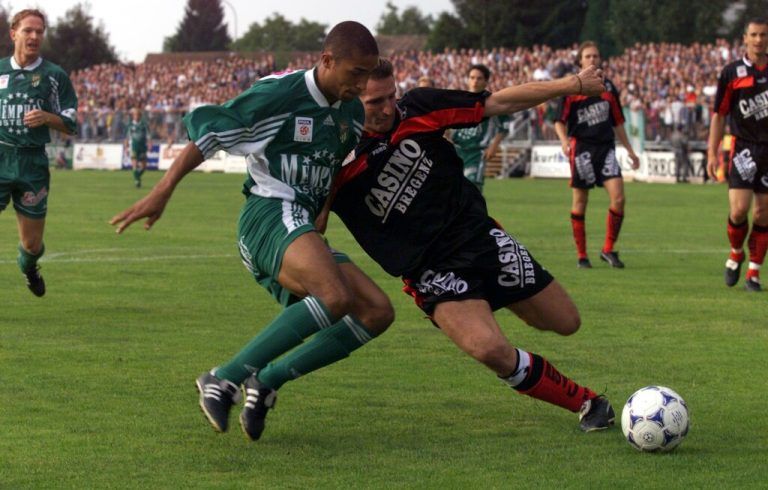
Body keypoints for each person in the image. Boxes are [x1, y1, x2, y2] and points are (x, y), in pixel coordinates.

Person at [110, 21, 394, 441]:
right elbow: (210, 133)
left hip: (299, 224)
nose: (362, 83)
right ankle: (223, 378)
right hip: (268, 214)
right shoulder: (280, 94)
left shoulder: (350, 113)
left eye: (368, 74)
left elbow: (332, 166)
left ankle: (267, 380)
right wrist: (162, 191)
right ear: (327, 61)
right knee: (334, 296)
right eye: (356, 73)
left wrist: (324, 211)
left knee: (376, 311)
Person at [319, 59, 615, 433]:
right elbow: (317, 224)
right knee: (489, 349)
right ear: (348, 99)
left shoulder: (420, 107)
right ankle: (587, 403)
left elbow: (498, 103)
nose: (388, 108)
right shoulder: (334, 152)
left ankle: (496, 298)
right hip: (431, 269)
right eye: (375, 101)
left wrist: (571, 83)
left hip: (479, 235)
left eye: (391, 96)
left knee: (566, 322)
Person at [0, 9, 78, 297]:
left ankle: (29, 267)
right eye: (28, 30)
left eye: (39, 31)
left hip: (32, 163)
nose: (34, 36)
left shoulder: (54, 76)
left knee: (32, 245)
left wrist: (47, 117)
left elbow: (71, 123)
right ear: (13, 33)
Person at [554, 41, 640, 269]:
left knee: (619, 198)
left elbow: (618, 122)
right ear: (580, 61)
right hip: (581, 149)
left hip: (606, 149)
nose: (592, 59)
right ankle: (582, 255)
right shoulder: (572, 88)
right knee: (581, 201)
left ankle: (608, 249)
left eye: (595, 56)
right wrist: (564, 142)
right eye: (588, 56)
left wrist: (630, 151)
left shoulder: (608, 87)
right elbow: (558, 122)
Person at [707, 18, 768, 292]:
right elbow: (719, 115)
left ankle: (753, 273)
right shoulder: (731, 72)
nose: (758, 40)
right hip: (743, 148)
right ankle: (735, 252)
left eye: (763, 35)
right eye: (754, 35)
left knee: (764, 214)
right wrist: (712, 152)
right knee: (739, 209)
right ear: (744, 38)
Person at [451, 65, 508, 193]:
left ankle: (475, 212)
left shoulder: (491, 102)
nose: (475, 81)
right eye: (472, 78)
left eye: (479, 78)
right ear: (467, 80)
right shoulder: (458, 99)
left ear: (486, 81)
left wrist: (494, 145)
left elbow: (504, 127)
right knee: (453, 189)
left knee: (472, 188)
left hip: (477, 152)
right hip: (456, 150)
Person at [126, 107, 150, 188]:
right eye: (135, 115)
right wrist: (126, 147)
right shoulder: (130, 125)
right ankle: (137, 181)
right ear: (133, 116)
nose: (136, 116)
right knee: (134, 164)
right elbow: (127, 137)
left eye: (138, 115)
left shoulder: (144, 125)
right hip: (134, 147)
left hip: (142, 147)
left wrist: (150, 144)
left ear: (140, 116)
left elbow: (149, 136)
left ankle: (137, 177)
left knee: (144, 167)